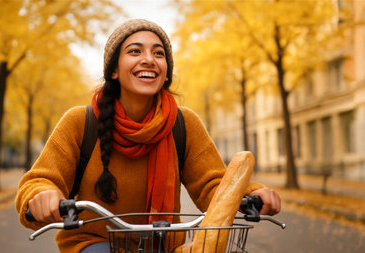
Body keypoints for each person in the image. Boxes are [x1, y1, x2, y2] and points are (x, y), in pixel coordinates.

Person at [15, 19, 281, 253]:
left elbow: (212, 185)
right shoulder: (80, 122)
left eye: (159, 53)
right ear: (114, 71)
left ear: (165, 73)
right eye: (134, 51)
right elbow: (40, 180)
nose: (149, 59)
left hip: (166, 244)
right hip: (93, 241)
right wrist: (43, 195)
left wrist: (251, 193)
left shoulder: (183, 123)